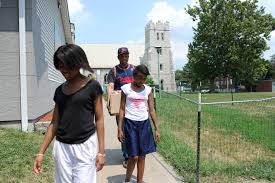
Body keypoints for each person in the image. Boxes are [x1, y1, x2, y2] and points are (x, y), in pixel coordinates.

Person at [32, 44, 105, 183]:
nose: (64, 70)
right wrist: (41, 152)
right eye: (60, 66)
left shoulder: (93, 87)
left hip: (85, 145)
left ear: (78, 63)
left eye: (67, 65)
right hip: (62, 147)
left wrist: (101, 152)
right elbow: (54, 122)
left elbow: (100, 120)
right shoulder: (59, 91)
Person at [117, 64, 160, 183]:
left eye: (144, 78)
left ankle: (139, 181)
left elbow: (151, 110)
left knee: (142, 156)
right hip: (130, 124)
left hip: (144, 125)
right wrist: (119, 128)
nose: (141, 81)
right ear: (134, 76)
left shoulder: (148, 90)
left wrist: (157, 128)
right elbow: (121, 109)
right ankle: (127, 180)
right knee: (133, 156)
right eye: (139, 77)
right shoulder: (126, 89)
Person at [107, 47, 135, 168]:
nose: (124, 57)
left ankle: (134, 154)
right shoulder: (113, 71)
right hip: (120, 105)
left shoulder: (134, 69)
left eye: (126, 55)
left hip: (133, 105)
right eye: (122, 56)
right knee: (122, 130)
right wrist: (109, 101)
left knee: (133, 130)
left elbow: (140, 84)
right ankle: (127, 156)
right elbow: (111, 87)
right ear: (118, 57)